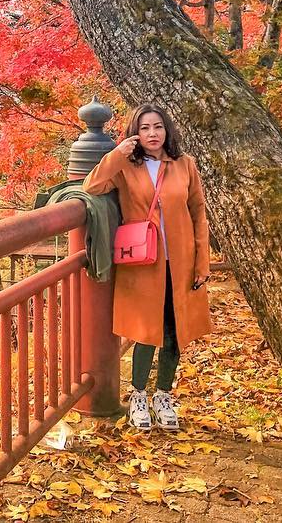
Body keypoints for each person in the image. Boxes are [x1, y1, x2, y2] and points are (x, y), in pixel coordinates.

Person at [82, 104, 211, 432]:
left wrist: (202, 261)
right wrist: (116, 155)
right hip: (142, 262)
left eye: (157, 127)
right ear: (134, 134)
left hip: (180, 262)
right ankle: (139, 395)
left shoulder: (185, 165)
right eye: (144, 128)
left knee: (174, 331)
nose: (152, 134)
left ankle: (163, 395)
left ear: (167, 131)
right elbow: (92, 187)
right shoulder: (126, 167)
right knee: (145, 331)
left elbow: (198, 212)